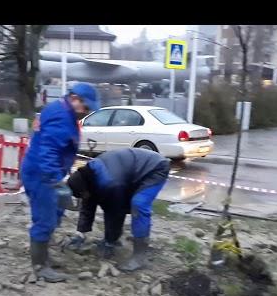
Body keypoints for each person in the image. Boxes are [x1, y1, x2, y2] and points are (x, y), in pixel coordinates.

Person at [20, 83, 100, 282]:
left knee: (54, 214)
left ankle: (44, 256)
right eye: (85, 107)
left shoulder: (60, 110)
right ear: (74, 98)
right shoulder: (62, 118)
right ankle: (40, 267)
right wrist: (56, 182)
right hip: (42, 175)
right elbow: (48, 152)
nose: (86, 112)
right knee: (45, 219)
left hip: (42, 171)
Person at [65, 148, 171, 272]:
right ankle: (115, 239)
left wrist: (110, 241)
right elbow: (88, 202)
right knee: (109, 201)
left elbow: (115, 213)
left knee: (138, 204)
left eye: (83, 195)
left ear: (85, 189)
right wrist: (80, 233)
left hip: (154, 168)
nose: (85, 198)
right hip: (131, 170)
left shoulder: (110, 182)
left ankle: (139, 256)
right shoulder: (88, 176)